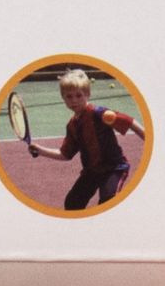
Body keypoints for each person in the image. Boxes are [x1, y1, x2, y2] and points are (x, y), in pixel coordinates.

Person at [49, 65, 139, 213]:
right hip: (92, 171)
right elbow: (64, 154)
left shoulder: (99, 113)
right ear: (63, 98)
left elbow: (129, 122)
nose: (74, 100)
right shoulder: (72, 125)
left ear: (87, 94)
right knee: (72, 203)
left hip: (114, 168)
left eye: (79, 95)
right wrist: (39, 150)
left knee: (108, 200)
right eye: (69, 96)